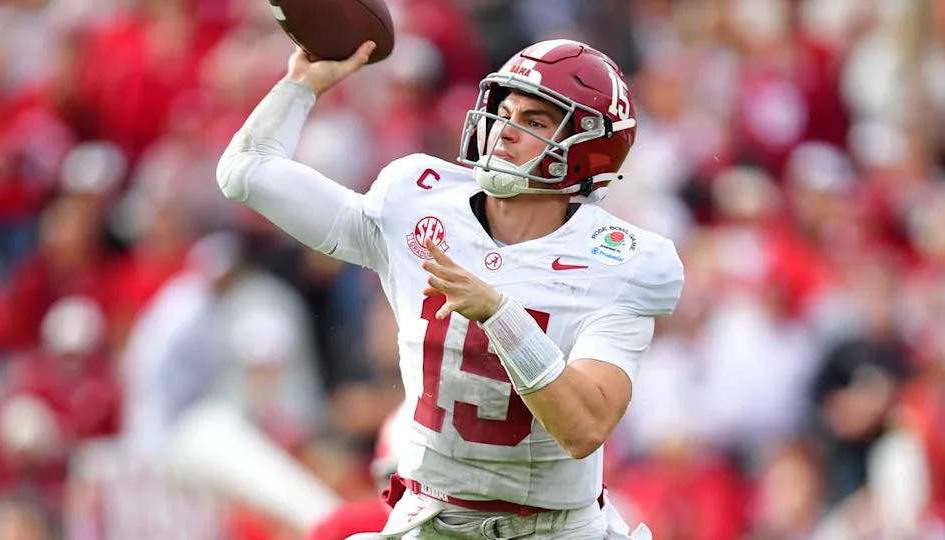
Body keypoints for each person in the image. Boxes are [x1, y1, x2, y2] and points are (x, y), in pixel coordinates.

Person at [217, 37, 682, 539]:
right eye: (505, 111)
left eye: (536, 122)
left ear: (588, 149)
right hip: (429, 521)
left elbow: (583, 428)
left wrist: (499, 315)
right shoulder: (419, 198)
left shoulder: (618, 260)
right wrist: (299, 87)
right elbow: (247, 173)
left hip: (553, 529)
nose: (504, 132)